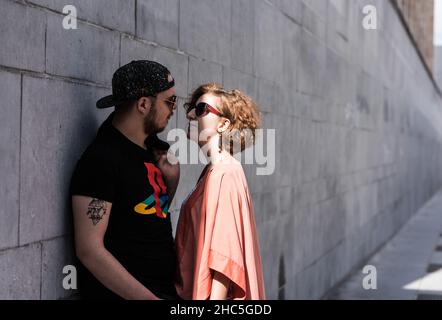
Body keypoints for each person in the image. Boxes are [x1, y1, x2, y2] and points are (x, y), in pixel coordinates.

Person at [70, 60, 180, 300]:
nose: (174, 109)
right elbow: (89, 250)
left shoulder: (155, 150)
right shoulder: (103, 160)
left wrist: (171, 182)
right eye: (170, 101)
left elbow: (148, 215)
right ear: (143, 104)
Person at [175, 83, 266, 300]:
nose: (190, 115)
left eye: (201, 110)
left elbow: (225, 261)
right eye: (191, 108)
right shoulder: (215, 170)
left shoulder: (224, 173)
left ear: (223, 124)